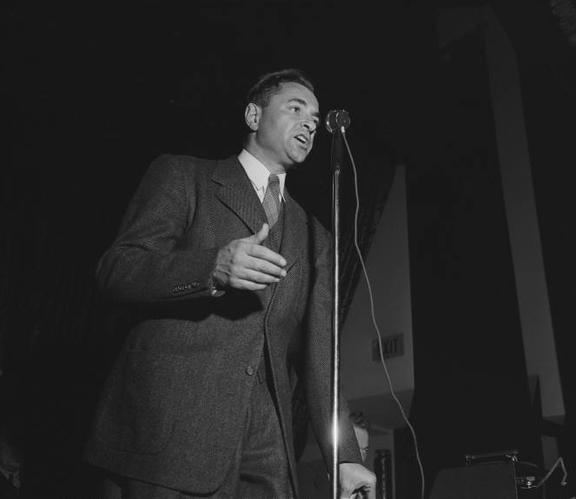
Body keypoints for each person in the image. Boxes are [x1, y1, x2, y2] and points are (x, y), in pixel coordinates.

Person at [84, 68, 376, 498]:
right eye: (295, 109)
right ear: (254, 116)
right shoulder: (184, 177)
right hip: (170, 430)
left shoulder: (317, 236)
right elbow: (117, 270)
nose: (310, 123)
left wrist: (345, 456)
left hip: (265, 439)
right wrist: (212, 267)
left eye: (314, 118)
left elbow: (322, 356)